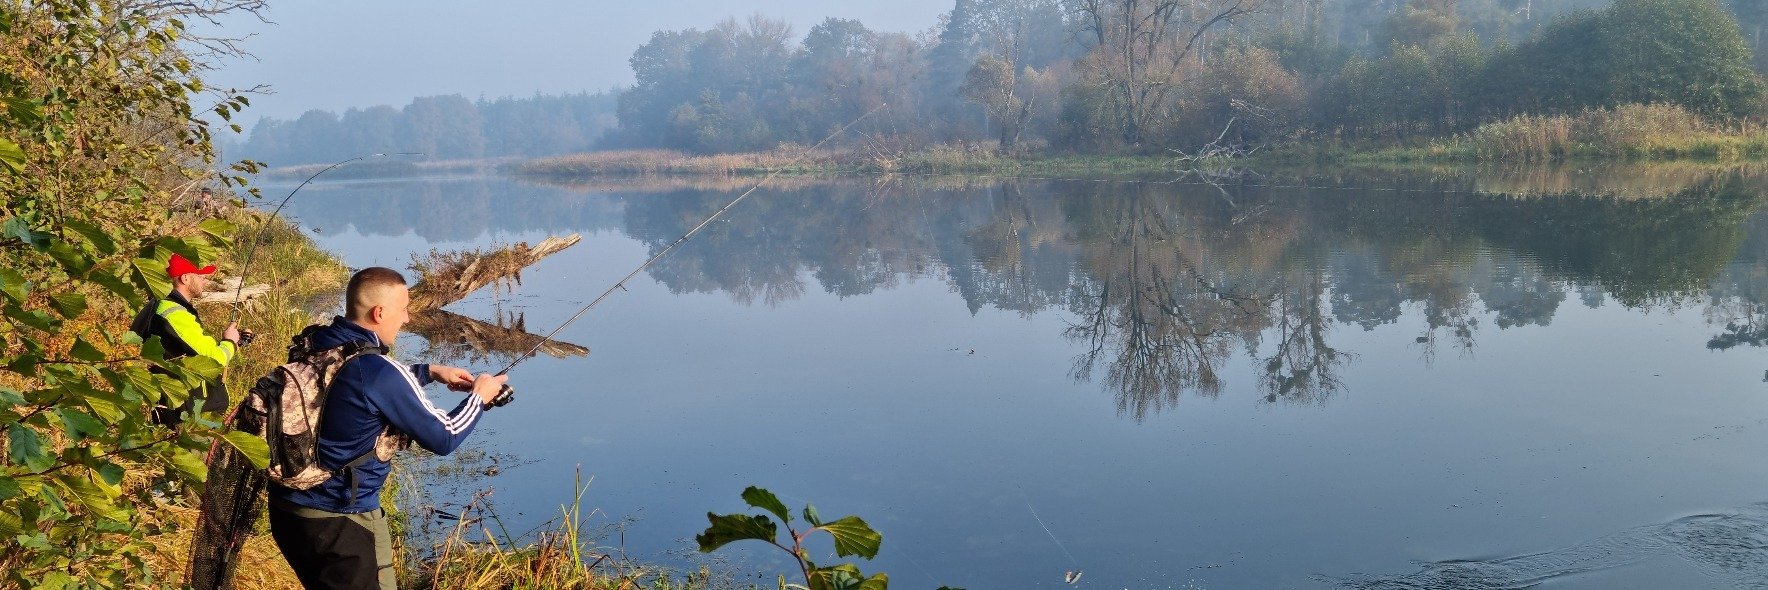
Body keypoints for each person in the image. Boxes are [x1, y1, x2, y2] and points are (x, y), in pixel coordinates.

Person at [267, 267, 506, 590]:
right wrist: (480, 397)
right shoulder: (379, 372)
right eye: (403, 309)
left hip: (288, 512)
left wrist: (429, 371)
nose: (406, 319)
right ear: (379, 313)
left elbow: (353, 381)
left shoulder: (319, 343)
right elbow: (444, 436)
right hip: (341, 523)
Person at [129, 253, 243, 426]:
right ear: (185, 278)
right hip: (187, 415)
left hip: (177, 408)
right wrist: (230, 341)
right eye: (201, 275)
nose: (205, 279)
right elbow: (215, 359)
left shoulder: (158, 305)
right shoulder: (175, 314)